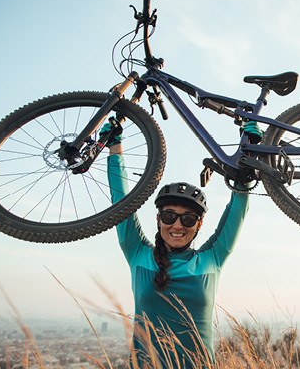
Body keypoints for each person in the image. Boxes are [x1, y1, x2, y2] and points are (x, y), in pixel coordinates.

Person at [103, 120, 260, 368]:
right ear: (158, 219)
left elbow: (237, 210)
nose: (177, 226)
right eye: (169, 216)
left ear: (198, 224)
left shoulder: (212, 258)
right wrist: (114, 149)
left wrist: (248, 157)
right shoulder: (138, 253)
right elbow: (121, 201)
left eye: (187, 219)